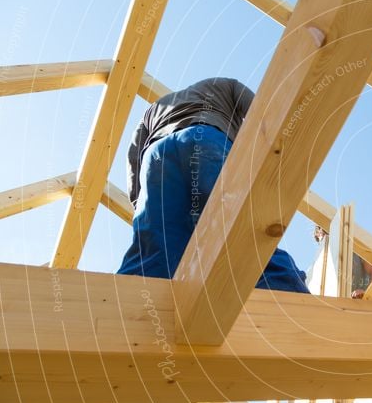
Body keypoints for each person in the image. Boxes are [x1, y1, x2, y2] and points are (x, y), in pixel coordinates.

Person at [117, 77, 309, 293]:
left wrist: (142, 206)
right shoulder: (225, 85)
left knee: (155, 246)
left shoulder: (154, 108)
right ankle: (286, 293)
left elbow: (134, 157)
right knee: (239, 232)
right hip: (207, 140)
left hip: (158, 155)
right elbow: (261, 112)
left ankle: (127, 305)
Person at [312, 225, 372, 298]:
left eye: (327, 236)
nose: (326, 243)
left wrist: (368, 293)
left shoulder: (355, 248)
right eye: (323, 241)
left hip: (365, 301)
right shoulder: (321, 266)